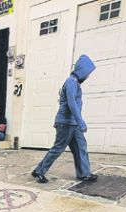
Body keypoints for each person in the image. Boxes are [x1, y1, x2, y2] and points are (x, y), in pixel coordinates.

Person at [31, 55, 98, 183]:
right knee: (58, 148)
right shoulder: (71, 82)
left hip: (73, 124)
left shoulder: (75, 83)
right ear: (82, 71)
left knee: (81, 147)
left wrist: (78, 123)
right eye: (87, 73)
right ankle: (39, 171)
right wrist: (81, 122)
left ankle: (84, 173)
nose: (88, 76)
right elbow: (72, 104)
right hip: (66, 123)